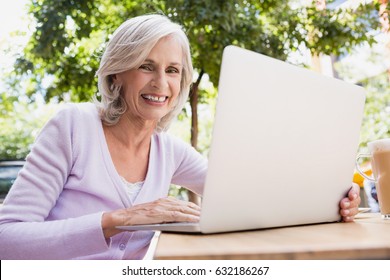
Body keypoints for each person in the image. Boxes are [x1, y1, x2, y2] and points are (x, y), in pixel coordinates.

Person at [0, 14, 360, 260]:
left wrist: (335, 198)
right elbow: (7, 238)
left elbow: (253, 194)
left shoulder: (169, 150)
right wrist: (118, 219)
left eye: (173, 70)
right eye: (146, 65)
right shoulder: (73, 126)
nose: (161, 83)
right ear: (117, 74)